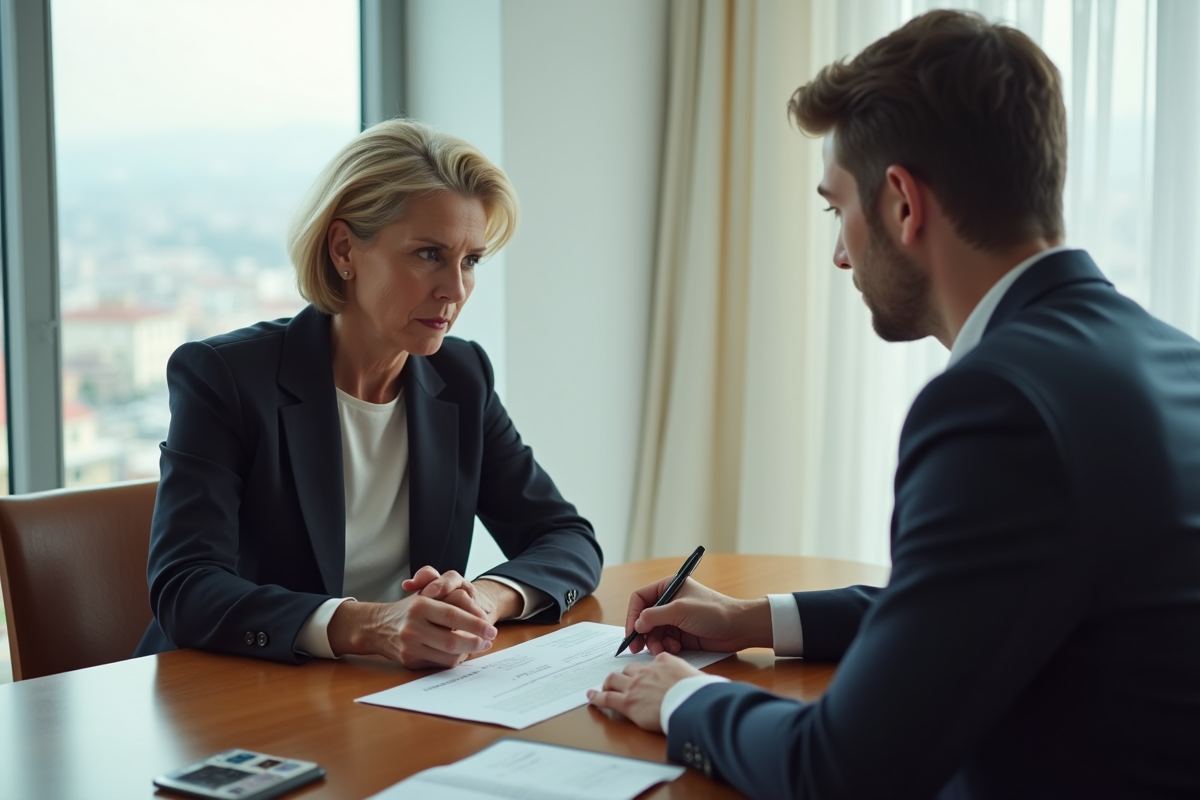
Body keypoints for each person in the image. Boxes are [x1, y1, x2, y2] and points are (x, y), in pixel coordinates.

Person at [588, 10, 1200, 799]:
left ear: (903, 204)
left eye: (836, 208)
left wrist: (681, 697)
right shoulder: (1169, 357)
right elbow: (983, 596)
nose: (840, 253)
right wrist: (757, 620)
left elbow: (842, 771)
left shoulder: (996, 403)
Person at [135, 119, 603, 670]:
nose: (455, 289)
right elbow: (185, 589)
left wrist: (485, 599)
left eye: (470, 260)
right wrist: (368, 625)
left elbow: (567, 538)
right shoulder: (226, 377)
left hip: (399, 696)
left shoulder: (462, 375)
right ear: (343, 250)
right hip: (239, 698)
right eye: (429, 254)